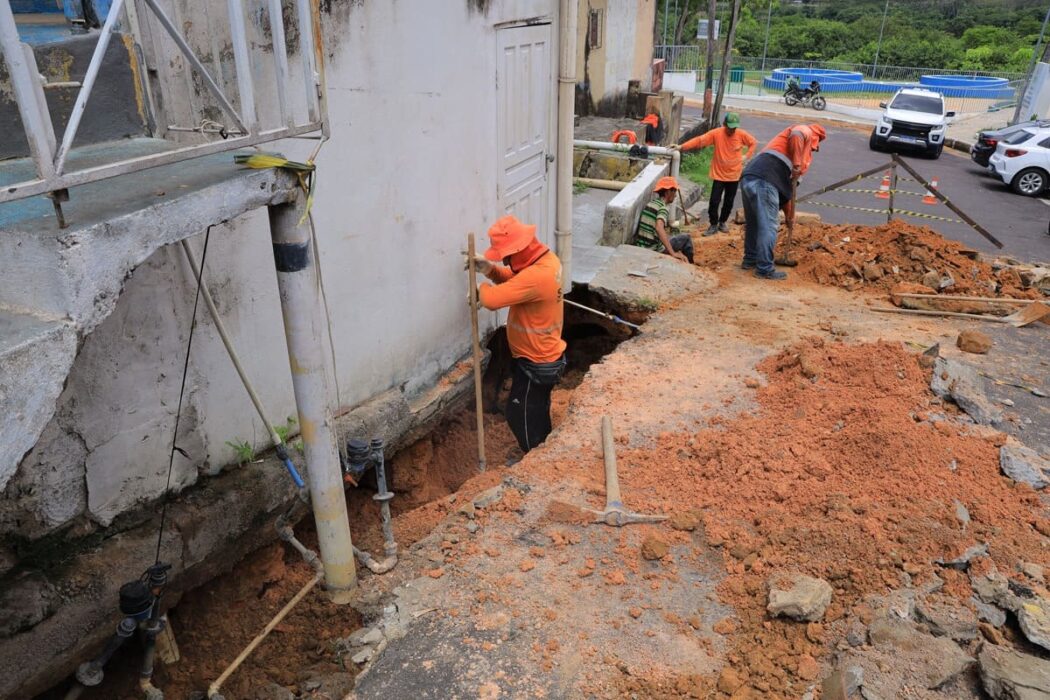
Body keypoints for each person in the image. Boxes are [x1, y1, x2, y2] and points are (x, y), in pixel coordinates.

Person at [466, 215, 567, 455]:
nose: (505, 260)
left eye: (506, 257)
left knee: (518, 413)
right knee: (536, 410)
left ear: (519, 250)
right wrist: (491, 271)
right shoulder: (547, 261)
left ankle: (535, 459)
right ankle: (542, 447)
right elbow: (518, 281)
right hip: (544, 356)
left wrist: (482, 290)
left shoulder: (537, 276)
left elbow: (492, 300)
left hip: (537, 361)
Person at [739, 123, 826, 280]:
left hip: (750, 175)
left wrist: (789, 215)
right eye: (814, 147)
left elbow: (786, 194)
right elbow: (798, 134)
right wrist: (797, 165)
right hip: (766, 178)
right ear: (816, 139)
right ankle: (764, 269)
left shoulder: (786, 154)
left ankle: (750, 259)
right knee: (769, 225)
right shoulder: (806, 131)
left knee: (754, 223)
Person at [675, 112, 757, 236]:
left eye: (734, 128)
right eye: (729, 127)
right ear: (724, 125)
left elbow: (753, 143)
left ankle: (722, 222)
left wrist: (746, 156)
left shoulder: (741, 134)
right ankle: (713, 224)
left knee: (729, 202)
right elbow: (699, 140)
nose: (731, 130)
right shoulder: (716, 134)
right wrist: (681, 147)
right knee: (714, 201)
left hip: (734, 175)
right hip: (719, 175)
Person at [632, 176, 694, 264]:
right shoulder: (663, 208)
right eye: (674, 191)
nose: (676, 195)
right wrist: (673, 253)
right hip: (653, 249)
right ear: (668, 192)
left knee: (671, 237)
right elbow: (659, 227)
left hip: (643, 245)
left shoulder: (652, 203)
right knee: (686, 238)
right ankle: (691, 265)